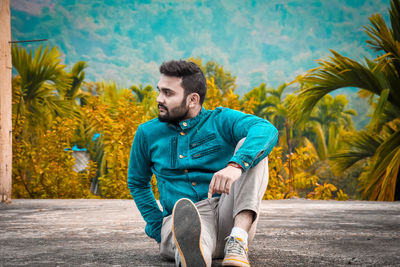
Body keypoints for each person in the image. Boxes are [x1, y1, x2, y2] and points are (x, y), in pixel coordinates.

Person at [127, 60, 278, 267]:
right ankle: (193, 253)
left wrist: (236, 166)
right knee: (191, 234)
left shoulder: (221, 120)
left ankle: (237, 241)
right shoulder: (147, 133)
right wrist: (157, 227)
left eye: (168, 93)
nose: (159, 99)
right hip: (181, 219)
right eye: (159, 91)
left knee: (252, 148)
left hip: (228, 215)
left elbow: (266, 129)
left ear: (193, 99)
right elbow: (137, 182)